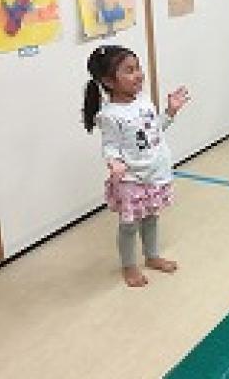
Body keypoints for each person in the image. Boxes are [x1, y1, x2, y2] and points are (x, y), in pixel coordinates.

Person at [81, 45, 189, 287]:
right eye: (129, 71)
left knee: (151, 218)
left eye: (138, 68)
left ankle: (151, 256)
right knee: (129, 225)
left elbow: (154, 130)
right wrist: (115, 162)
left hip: (154, 173)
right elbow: (110, 145)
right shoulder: (109, 115)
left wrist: (170, 111)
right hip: (132, 179)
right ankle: (129, 266)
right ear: (108, 81)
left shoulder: (143, 101)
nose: (139, 74)